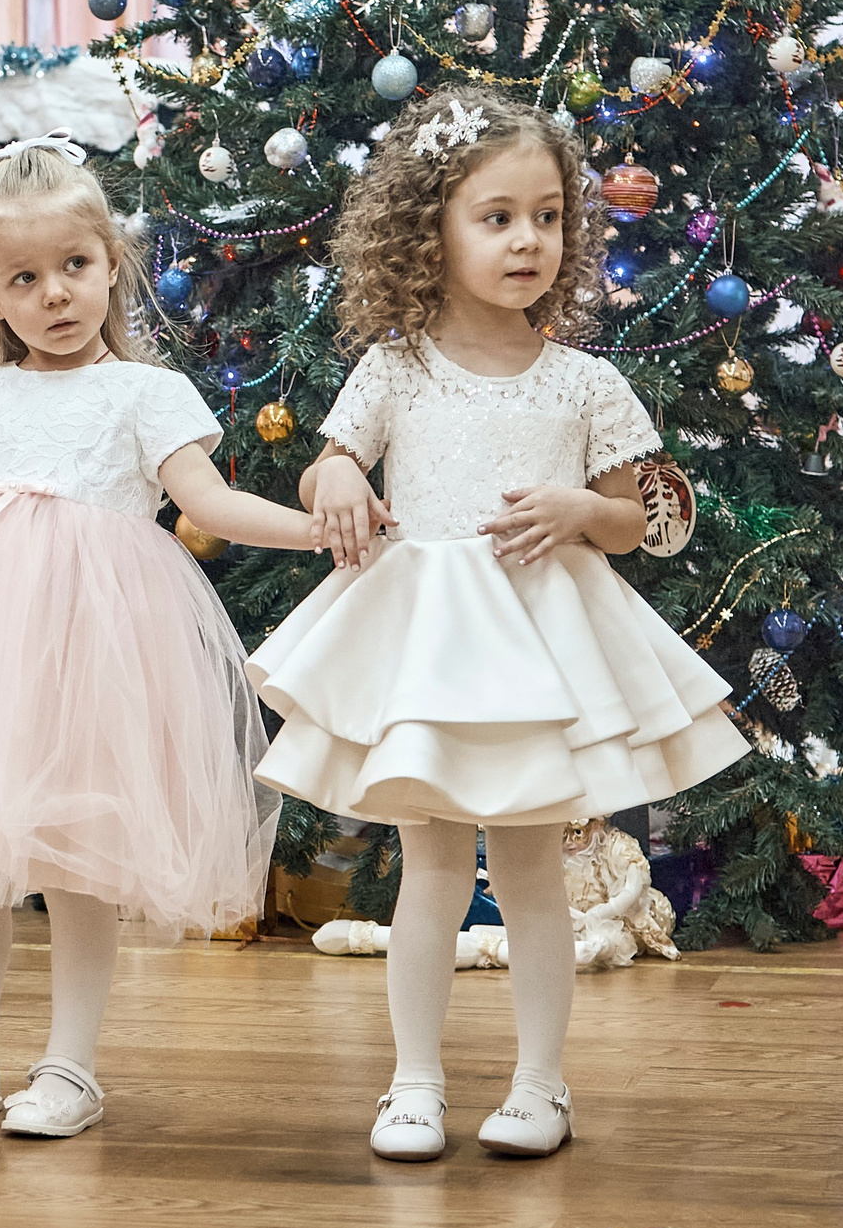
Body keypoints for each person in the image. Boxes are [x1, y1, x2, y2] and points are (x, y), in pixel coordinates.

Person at [249, 87, 748, 1161]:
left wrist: (580, 510)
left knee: (528, 873)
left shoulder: (586, 383)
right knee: (428, 869)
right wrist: (337, 478)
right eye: (497, 217)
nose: (528, 240)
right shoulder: (393, 367)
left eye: (548, 217)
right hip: (430, 649)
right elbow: (327, 464)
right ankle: (413, 1084)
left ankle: (539, 1086)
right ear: (428, 228)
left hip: (537, 650)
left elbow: (632, 523)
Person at [0, 134, 319, 1139]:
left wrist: (315, 530)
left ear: (111, 264)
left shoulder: (143, 393)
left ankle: (70, 1067)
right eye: (24, 279)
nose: (54, 295)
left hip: (95, 659)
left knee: (83, 858)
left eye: (74, 266)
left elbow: (207, 502)